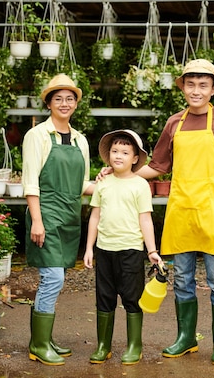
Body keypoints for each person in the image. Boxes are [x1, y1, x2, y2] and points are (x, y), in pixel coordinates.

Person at [118, 58, 214, 366]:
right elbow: (156, 167)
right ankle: (186, 338)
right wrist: (122, 173)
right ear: (183, 87)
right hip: (181, 212)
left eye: (203, 85)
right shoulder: (173, 123)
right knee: (182, 281)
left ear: (213, 89)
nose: (196, 90)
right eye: (190, 84)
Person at [22, 74, 95, 366]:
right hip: (46, 213)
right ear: (49, 103)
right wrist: (37, 221)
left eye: (69, 98)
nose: (64, 103)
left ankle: (43, 338)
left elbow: (83, 185)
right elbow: (30, 183)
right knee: (53, 278)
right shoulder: (36, 135)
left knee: (54, 279)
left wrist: (112, 180)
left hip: (69, 216)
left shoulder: (80, 140)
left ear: (76, 103)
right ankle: (39, 345)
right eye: (58, 98)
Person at [83, 129, 163, 365]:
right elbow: (94, 217)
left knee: (132, 298)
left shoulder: (140, 185)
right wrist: (89, 248)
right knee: (104, 298)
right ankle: (103, 346)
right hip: (104, 250)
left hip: (131, 250)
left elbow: (145, 219)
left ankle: (134, 346)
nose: (118, 156)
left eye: (125, 152)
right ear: (108, 156)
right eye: (115, 151)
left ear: (135, 158)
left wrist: (152, 251)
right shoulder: (103, 183)